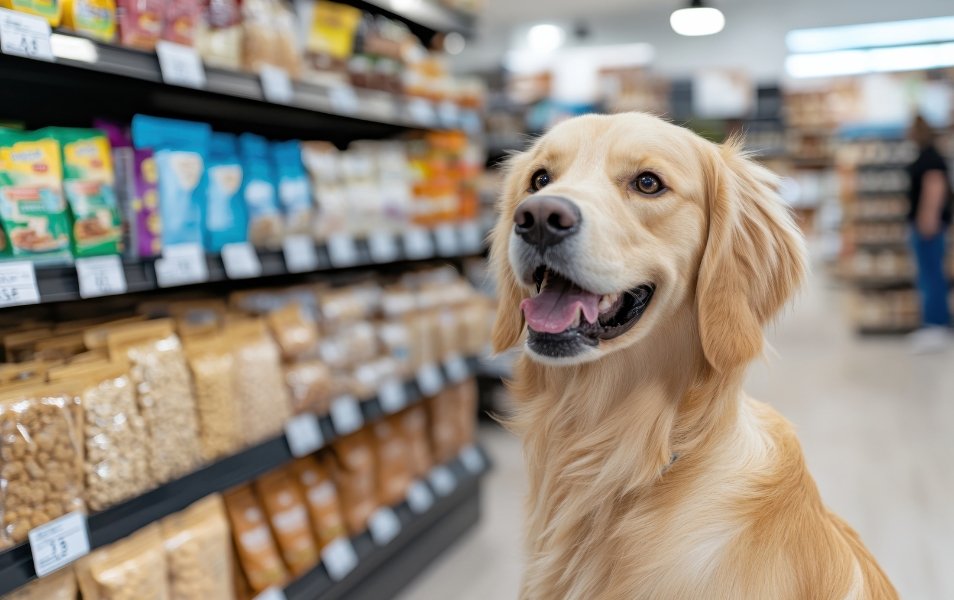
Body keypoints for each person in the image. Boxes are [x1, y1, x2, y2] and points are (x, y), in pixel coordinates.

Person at [906, 115, 952, 352]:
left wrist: (928, 219)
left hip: (928, 226)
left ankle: (935, 325)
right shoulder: (930, 155)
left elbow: (935, 187)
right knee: (930, 275)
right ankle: (935, 323)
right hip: (928, 225)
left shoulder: (930, 157)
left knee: (931, 276)